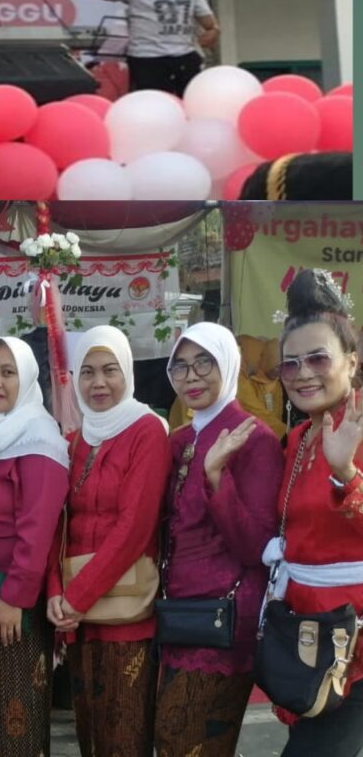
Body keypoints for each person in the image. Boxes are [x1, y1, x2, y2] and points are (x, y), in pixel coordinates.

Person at [153, 324, 283, 757]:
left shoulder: (255, 438)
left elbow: (256, 545)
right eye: (180, 366)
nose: (191, 376)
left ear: (229, 364)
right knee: (178, 740)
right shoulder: (179, 439)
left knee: (184, 737)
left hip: (224, 618)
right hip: (177, 612)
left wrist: (215, 477)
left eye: (204, 362)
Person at [46, 325, 171, 757]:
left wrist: (76, 597)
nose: (98, 383)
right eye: (88, 372)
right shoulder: (75, 441)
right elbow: (59, 523)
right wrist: (55, 592)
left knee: (124, 735)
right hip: (78, 618)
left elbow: (135, 526)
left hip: (125, 614)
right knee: (91, 733)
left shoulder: (147, 430)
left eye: (109, 370)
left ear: (128, 373)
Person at [259, 269, 363, 755]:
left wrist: (347, 473)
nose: (303, 374)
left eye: (319, 358)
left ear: (351, 362)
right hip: (305, 641)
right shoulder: (300, 437)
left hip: (354, 644)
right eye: (290, 364)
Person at [0, 337, 70, 757]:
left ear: (25, 379)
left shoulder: (38, 437)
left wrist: (15, 599)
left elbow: (38, 530)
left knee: (16, 717)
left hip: (14, 606)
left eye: (8, 373)